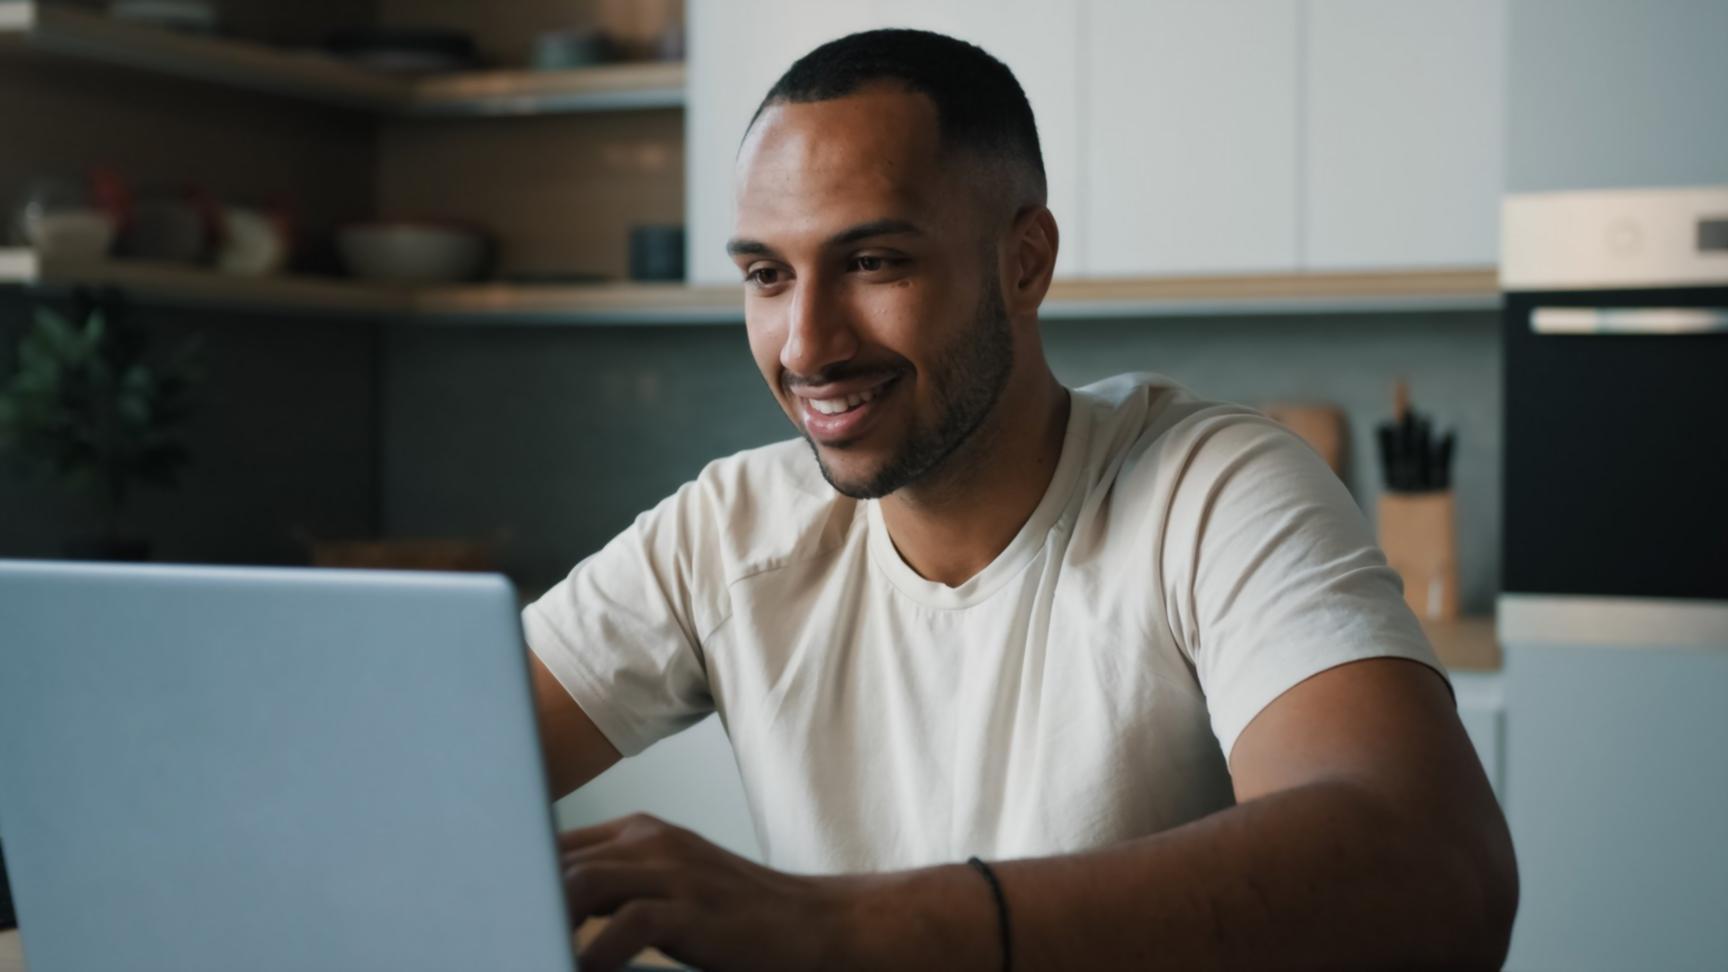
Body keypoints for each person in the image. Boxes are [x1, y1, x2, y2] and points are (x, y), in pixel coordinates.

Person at [526, 28, 1517, 972]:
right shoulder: (727, 533)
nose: (805, 346)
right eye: (767, 276)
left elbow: (1436, 875)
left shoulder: (1210, 489)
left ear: (1025, 261)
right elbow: (423, 758)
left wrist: (837, 930)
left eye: (873, 263)